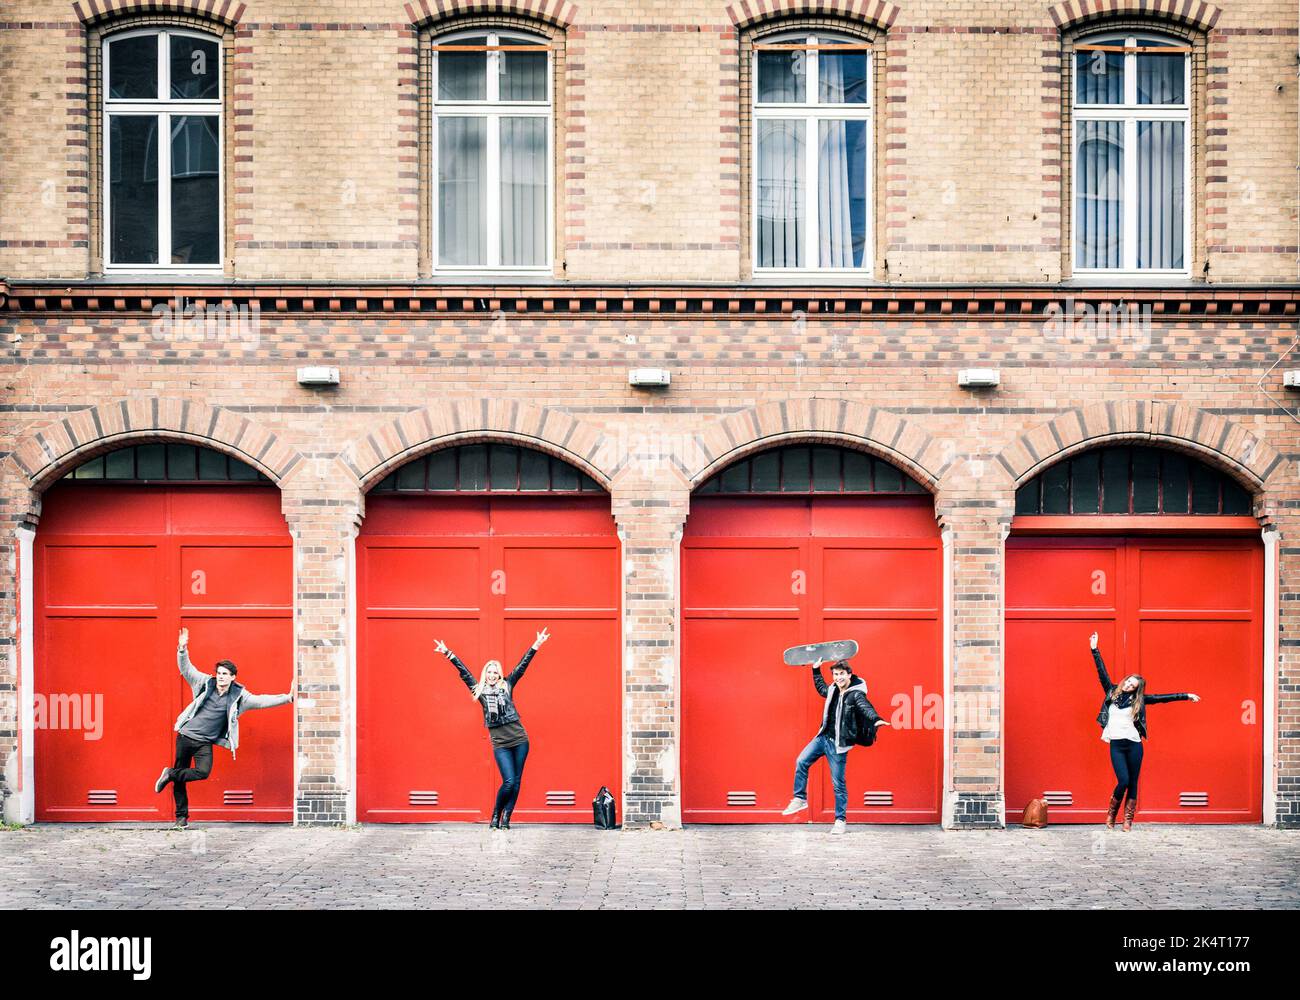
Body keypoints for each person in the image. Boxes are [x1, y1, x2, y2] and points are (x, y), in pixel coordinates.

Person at [154, 627, 295, 828]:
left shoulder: (239, 697)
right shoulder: (204, 683)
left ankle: (170, 773)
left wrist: (287, 698)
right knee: (180, 778)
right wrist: (182, 649)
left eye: (225, 674)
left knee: (202, 772)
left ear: (233, 677)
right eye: (219, 673)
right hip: (185, 736)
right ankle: (181, 818)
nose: (220, 676)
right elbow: (187, 669)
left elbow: (261, 700)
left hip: (204, 743)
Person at [435, 627, 550, 829]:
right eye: (489, 671)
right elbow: (464, 673)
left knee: (516, 782)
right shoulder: (480, 691)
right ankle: (496, 813)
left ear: (499, 674)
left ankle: (506, 818)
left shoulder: (507, 685)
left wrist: (536, 645)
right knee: (508, 781)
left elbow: (522, 667)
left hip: (520, 739)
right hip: (501, 743)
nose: (492, 674)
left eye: (495, 671)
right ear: (485, 674)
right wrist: (448, 653)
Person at [1089, 631, 1199, 831]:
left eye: (1134, 685)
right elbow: (1101, 672)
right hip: (1117, 744)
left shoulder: (1139, 700)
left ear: (1136, 689)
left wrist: (1186, 695)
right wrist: (1094, 649)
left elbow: (1162, 698)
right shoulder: (1111, 691)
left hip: (1134, 745)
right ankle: (1112, 813)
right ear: (1126, 680)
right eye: (1129, 681)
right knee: (1122, 780)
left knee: (1133, 781)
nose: (1130, 684)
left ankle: (1128, 819)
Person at [781, 657, 889, 834]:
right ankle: (800, 798)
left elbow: (865, 707)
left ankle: (840, 820)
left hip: (838, 745)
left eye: (842, 674)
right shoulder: (832, 689)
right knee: (801, 761)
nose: (838, 678)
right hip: (822, 737)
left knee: (838, 784)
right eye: (836, 674)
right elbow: (822, 688)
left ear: (849, 675)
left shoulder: (856, 694)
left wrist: (876, 719)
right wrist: (816, 670)